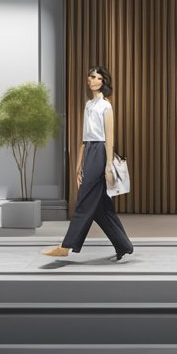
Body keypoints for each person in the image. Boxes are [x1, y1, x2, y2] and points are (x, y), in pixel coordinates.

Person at [41, 66, 133, 261]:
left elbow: (109, 138)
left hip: (100, 152)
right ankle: (123, 245)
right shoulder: (88, 105)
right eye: (91, 76)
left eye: (98, 78)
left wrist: (108, 166)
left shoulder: (106, 106)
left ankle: (66, 246)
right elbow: (84, 138)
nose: (93, 80)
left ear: (103, 82)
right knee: (101, 208)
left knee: (83, 200)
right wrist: (78, 164)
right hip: (89, 151)